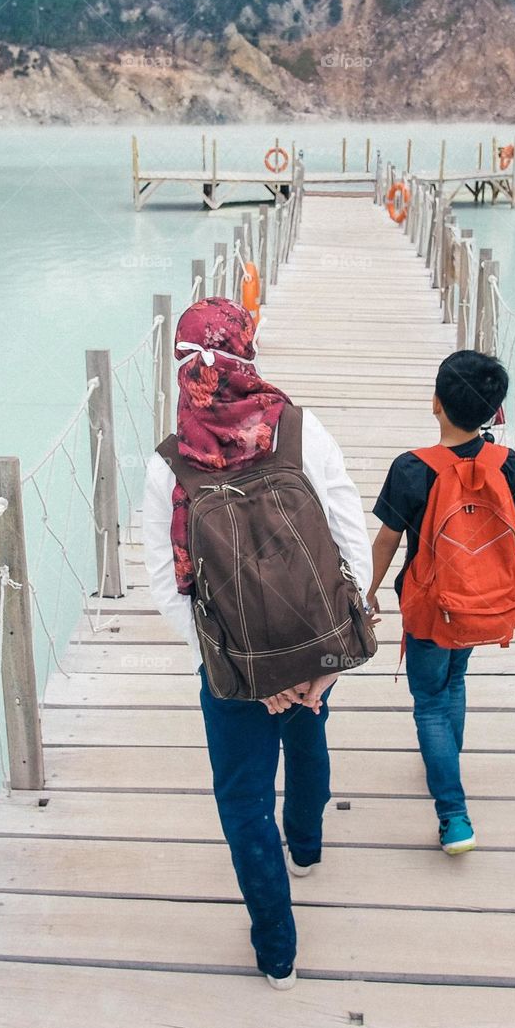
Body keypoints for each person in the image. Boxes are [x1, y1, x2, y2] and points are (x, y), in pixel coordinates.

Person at [142, 297, 372, 989]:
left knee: (243, 802)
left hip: (229, 666)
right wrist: (332, 654)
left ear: (182, 369)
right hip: (312, 640)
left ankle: (278, 950)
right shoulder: (303, 431)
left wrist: (238, 670)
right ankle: (306, 846)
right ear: (249, 355)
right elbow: (348, 540)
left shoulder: (167, 466)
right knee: (308, 736)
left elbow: (165, 586)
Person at [368, 350, 515, 854]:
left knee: (429, 703)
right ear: (492, 412)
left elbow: (386, 541)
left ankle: (454, 815)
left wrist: (369, 590)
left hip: (429, 607)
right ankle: (446, 759)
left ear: (435, 403)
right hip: (481, 603)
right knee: (455, 680)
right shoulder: (507, 464)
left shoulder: (410, 468)